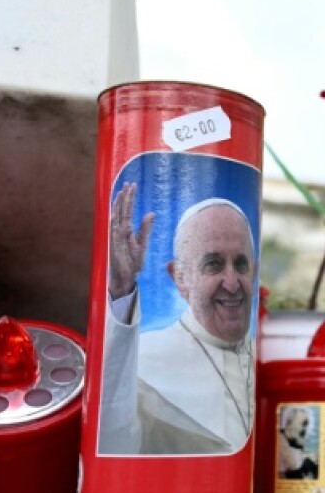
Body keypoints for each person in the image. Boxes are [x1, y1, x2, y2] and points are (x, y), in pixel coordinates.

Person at [98, 183, 256, 455]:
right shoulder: (143, 360)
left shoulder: (262, 357)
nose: (232, 284)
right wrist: (122, 288)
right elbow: (115, 447)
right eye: (213, 264)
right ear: (180, 278)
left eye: (241, 265)